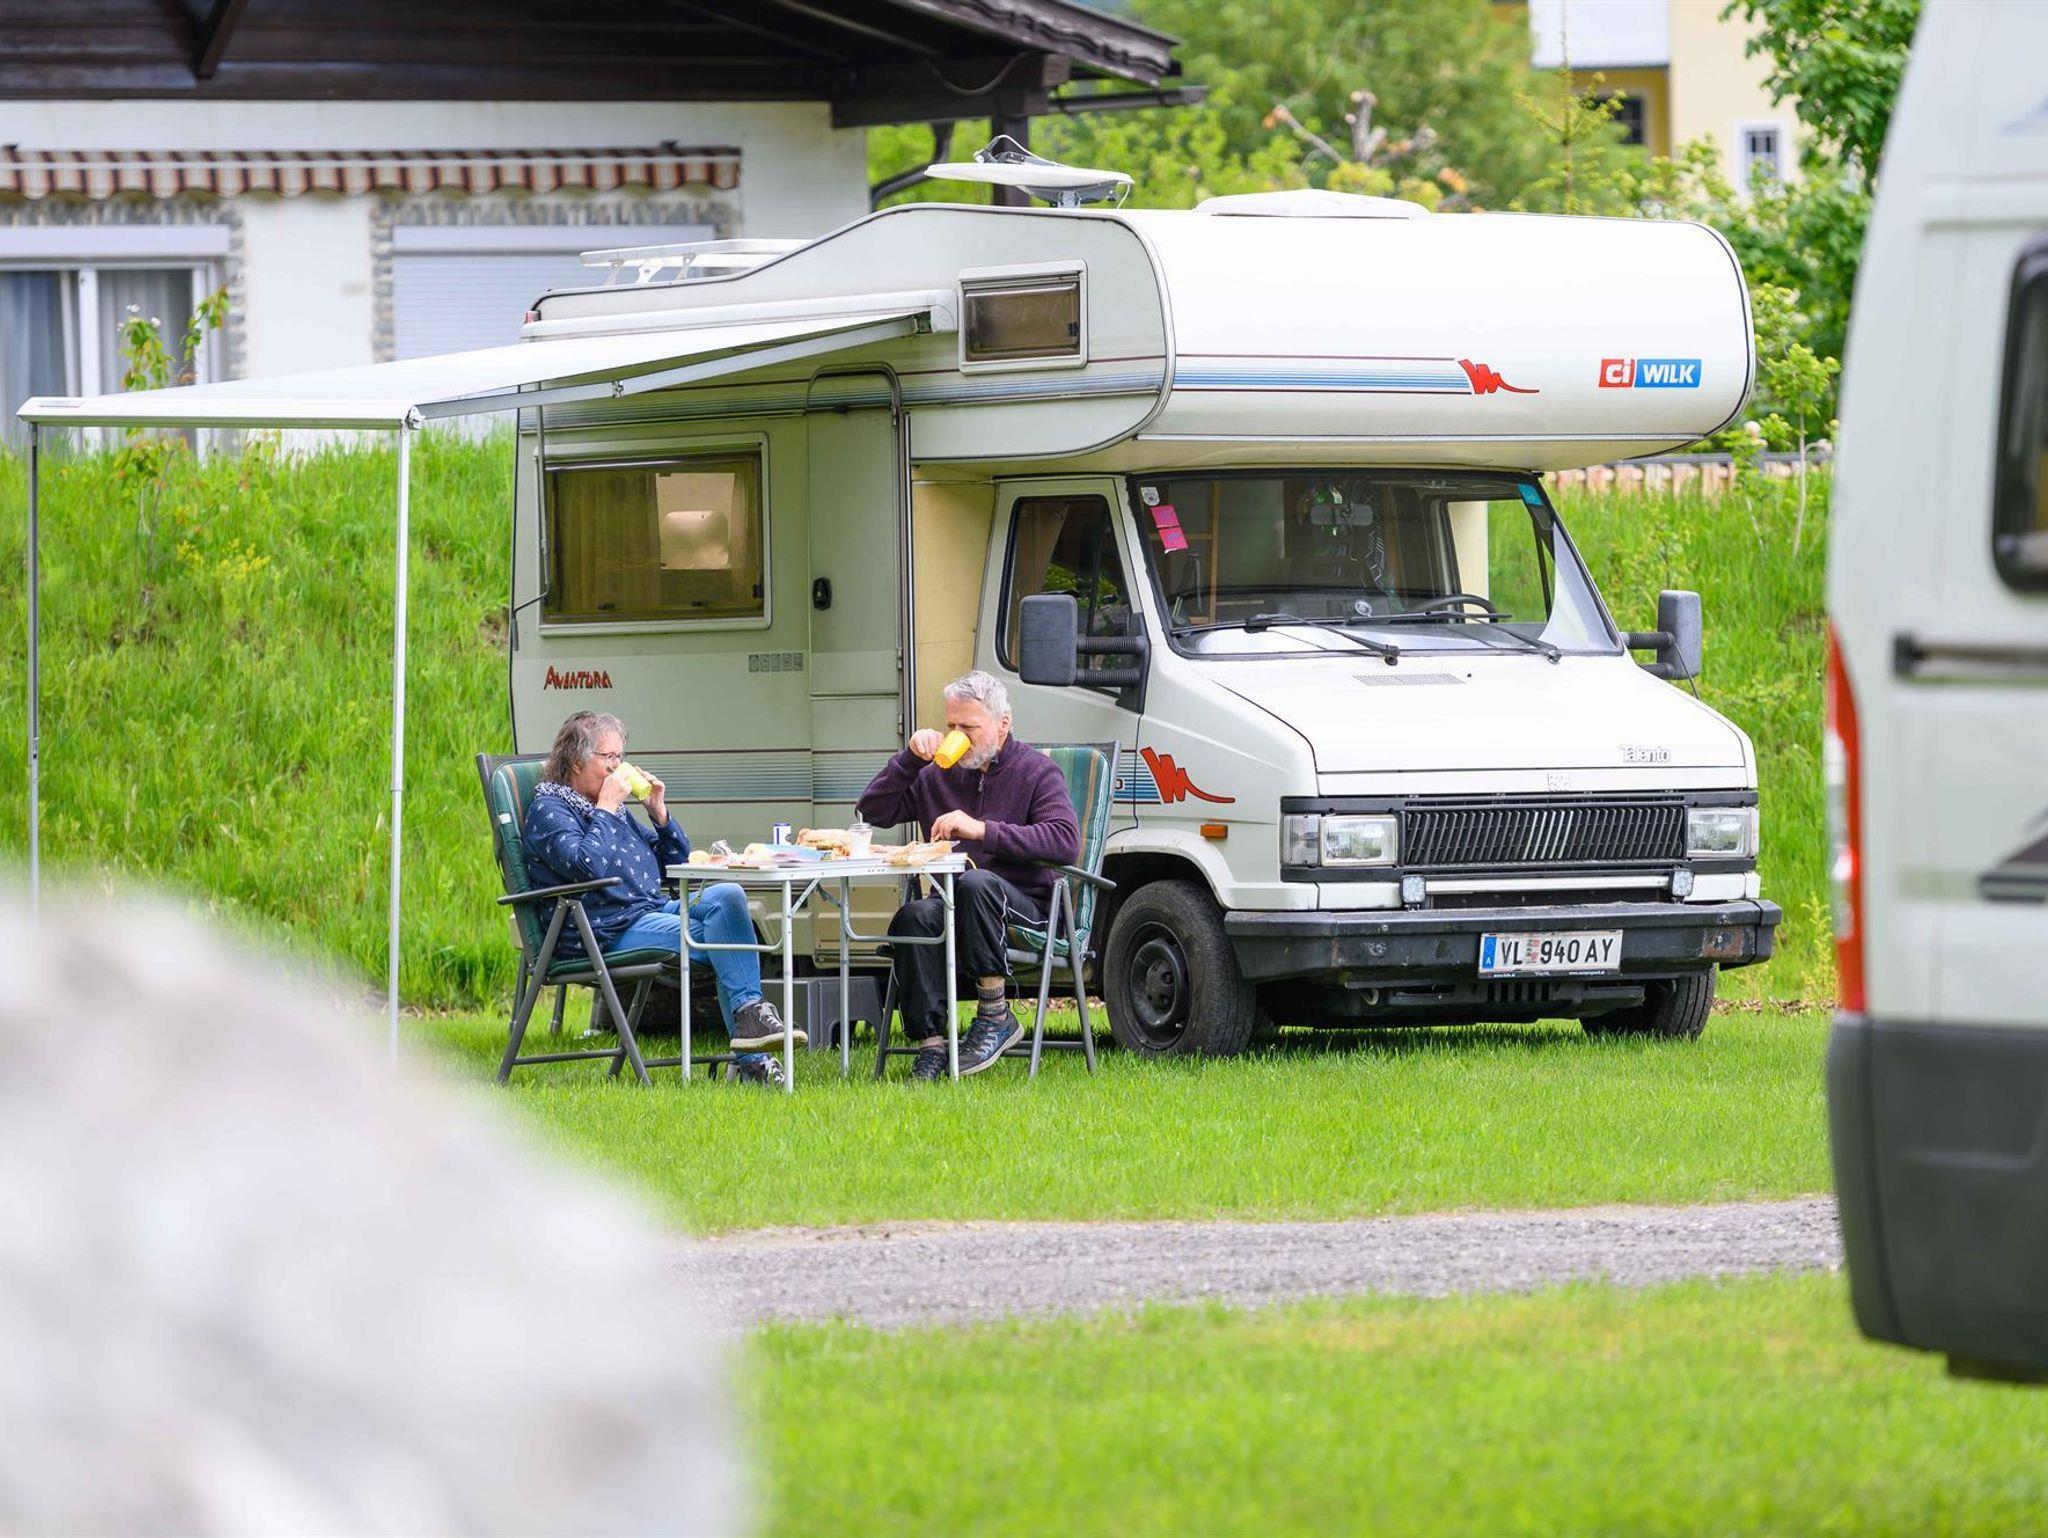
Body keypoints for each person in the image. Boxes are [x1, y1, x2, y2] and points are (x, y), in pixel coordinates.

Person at [522, 710, 800, 1085]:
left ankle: (751, 1018)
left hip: (647, 910)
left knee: (729, 896)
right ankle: (753, 1059)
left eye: (620, 756)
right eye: (608, 757)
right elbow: (585, 867)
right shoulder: (550, 810)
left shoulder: (607, 808)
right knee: (721, 938)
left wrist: (659, 814)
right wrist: (606, 809)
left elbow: (673, 865)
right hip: (602, 929)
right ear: (575, 761)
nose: (617, 767)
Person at [856, 672, 1080, 1081]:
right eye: (951, 726)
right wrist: (909, 760)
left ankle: (995, 1015)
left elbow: (1064, 842)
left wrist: (982, 830)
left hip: (1026, 908)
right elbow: (872, 811)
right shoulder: (936, 774)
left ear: (1003, 724)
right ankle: (930, 1047)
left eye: (969, 727)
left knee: (977, 883)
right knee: (914, 916)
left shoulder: (1037, 772)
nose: (957, 736)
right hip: (952, 903)